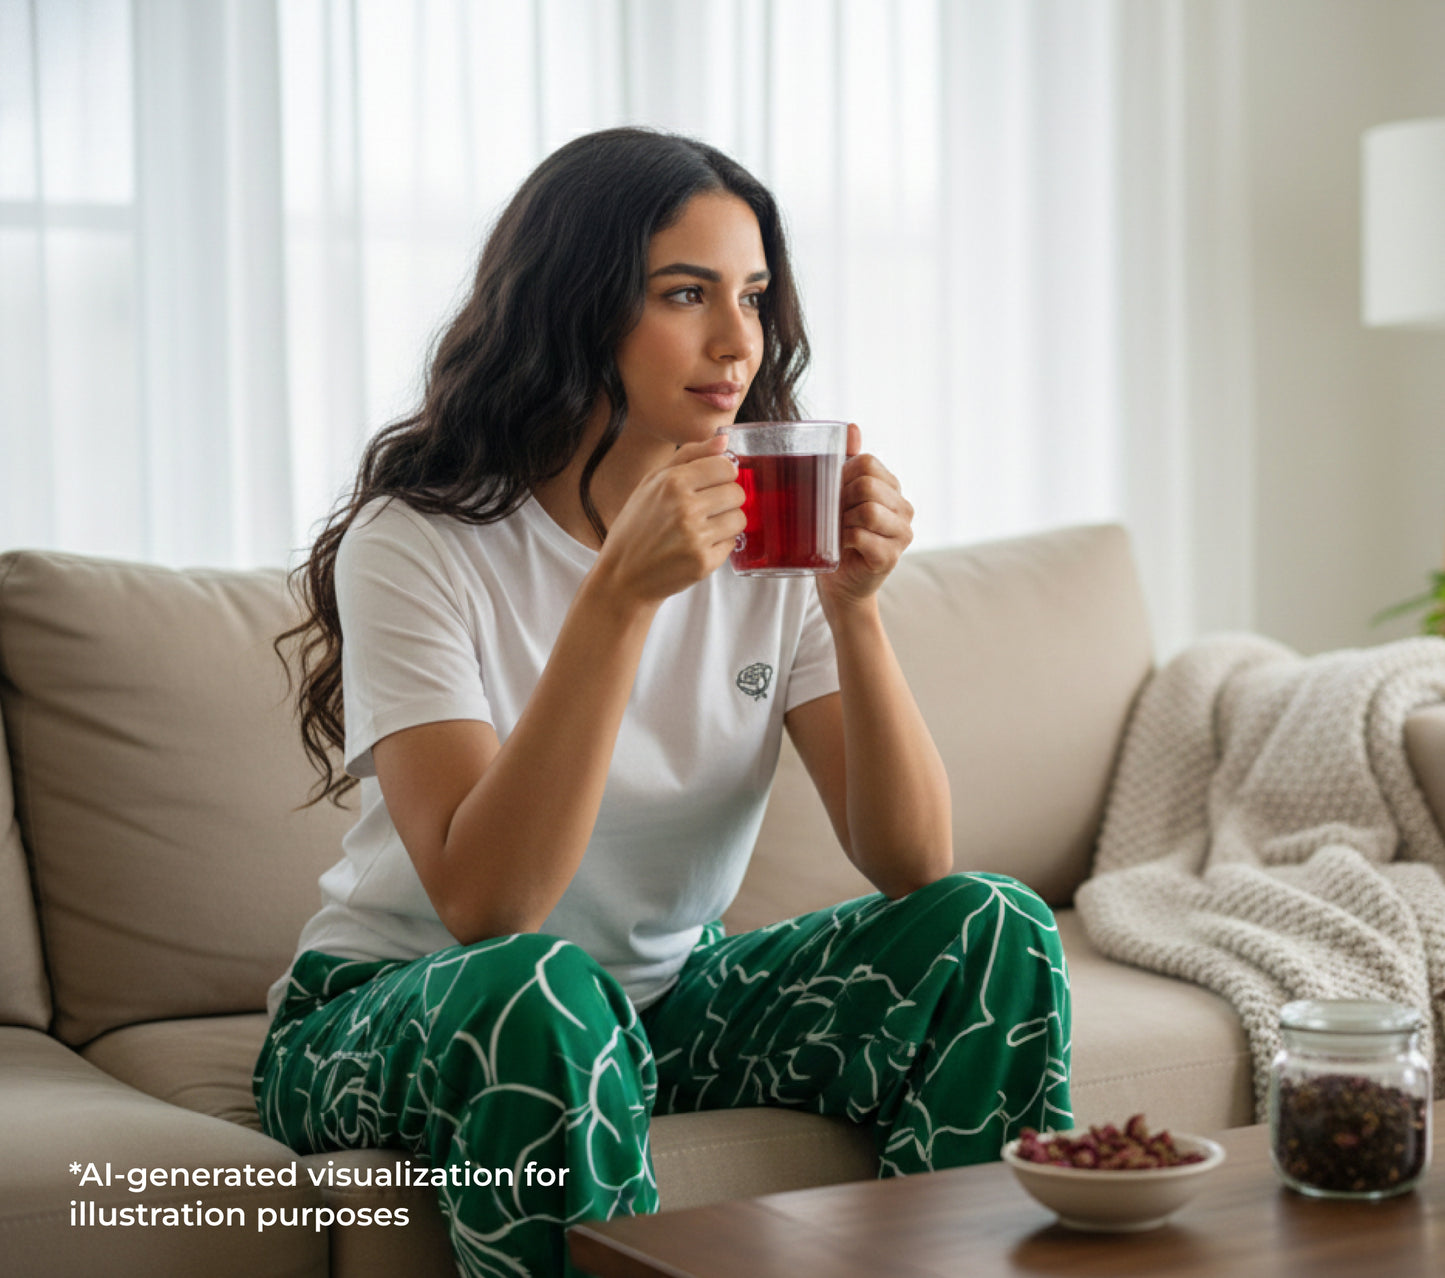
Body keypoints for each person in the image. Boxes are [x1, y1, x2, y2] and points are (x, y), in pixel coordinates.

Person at [254, 126, 1071, 1278]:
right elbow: (492, 906)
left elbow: (914, 862)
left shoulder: (769, 531)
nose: (739, 342)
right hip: (407, 1009)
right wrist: (616, 601)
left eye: (752, 296)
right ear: (574, 306)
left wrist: (853, 608)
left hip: (661, 1007)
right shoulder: (418, 542)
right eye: (685, 294)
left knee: (992, 926)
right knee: (541, 987)